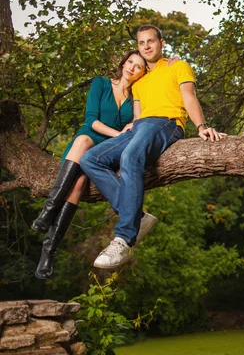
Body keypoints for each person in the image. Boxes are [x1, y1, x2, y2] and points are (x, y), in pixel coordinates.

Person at [80, 24, 226, 269]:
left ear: (161, 43)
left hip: (166, 123)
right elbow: (138, 116)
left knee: (129, 157)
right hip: (141, 128)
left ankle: (124, 238)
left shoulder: (177, 66)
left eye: (151, 41)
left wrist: (201, 126)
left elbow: (189, 97)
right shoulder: (139, 81)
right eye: (141, 43)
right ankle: (137, 216)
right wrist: (130, 128)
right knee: (90, 159)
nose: (146, 46)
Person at [31, 49, 159, 279]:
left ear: (143, 72)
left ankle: (48, 251)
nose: (131, 68)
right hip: (92, 137)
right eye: (130, 62)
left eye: (138, 66)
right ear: (123, 63)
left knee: (79, 183)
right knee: (81, 141)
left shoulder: (138, 96)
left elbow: (138, 123)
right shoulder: (101, 83)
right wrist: (119, 134)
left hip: (109, 150)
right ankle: (47, 213)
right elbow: (91, 121)